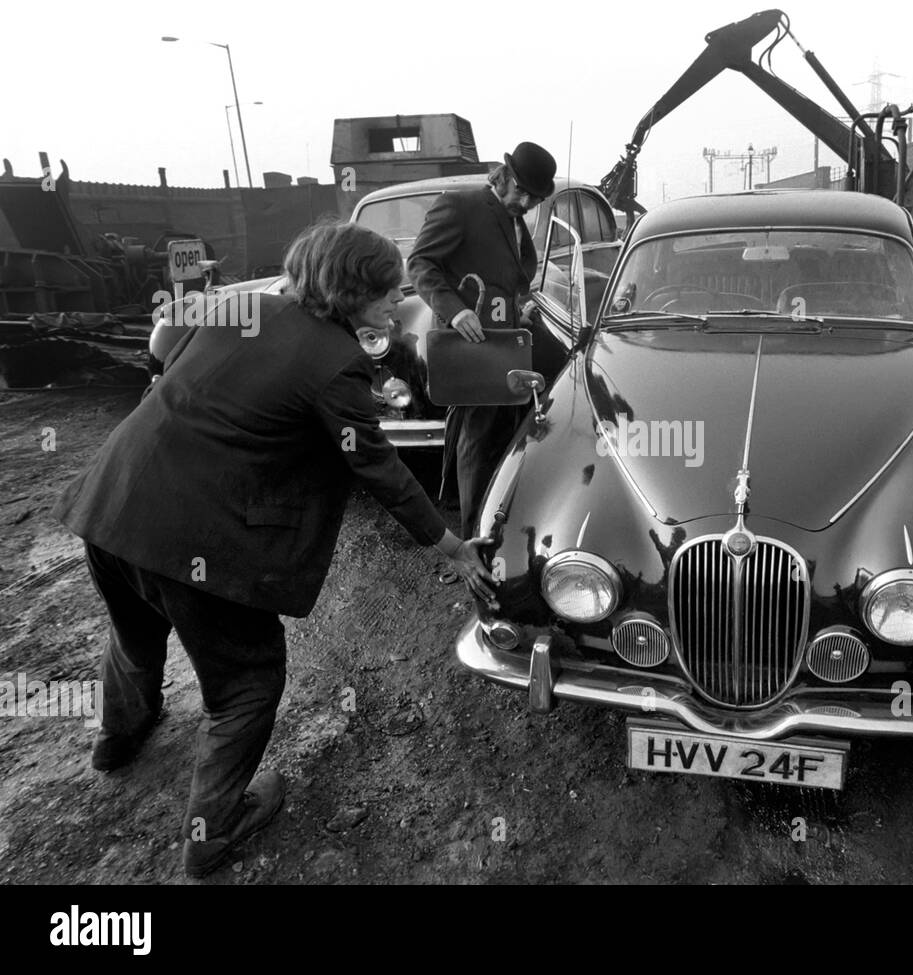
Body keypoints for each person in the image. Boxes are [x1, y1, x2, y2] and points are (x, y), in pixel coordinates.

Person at [54, 220, 494, 879]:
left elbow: (182, 374)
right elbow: (377, 467)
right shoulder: (335, 362)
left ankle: (118, 740)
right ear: (351, 291)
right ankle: (212, 829)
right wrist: (453, 547)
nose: (395, 299)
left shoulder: (239, 307)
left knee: (136, 630)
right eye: (384, 290)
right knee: (247, 684)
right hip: (191, 538)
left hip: (112, 504)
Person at [407, 140, 556, 536]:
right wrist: (454, 310)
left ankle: (498, 526)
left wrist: (516, 312)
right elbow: (420, 263)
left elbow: (504, 283)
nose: (524, 201)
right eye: (520, 189)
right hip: (470, 348)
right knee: (477, 441)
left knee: (504, 434)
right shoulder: (459, 206)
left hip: (504, 343)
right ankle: (474, 538)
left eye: (533, 197)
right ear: (503, 175)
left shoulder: (515, 221)